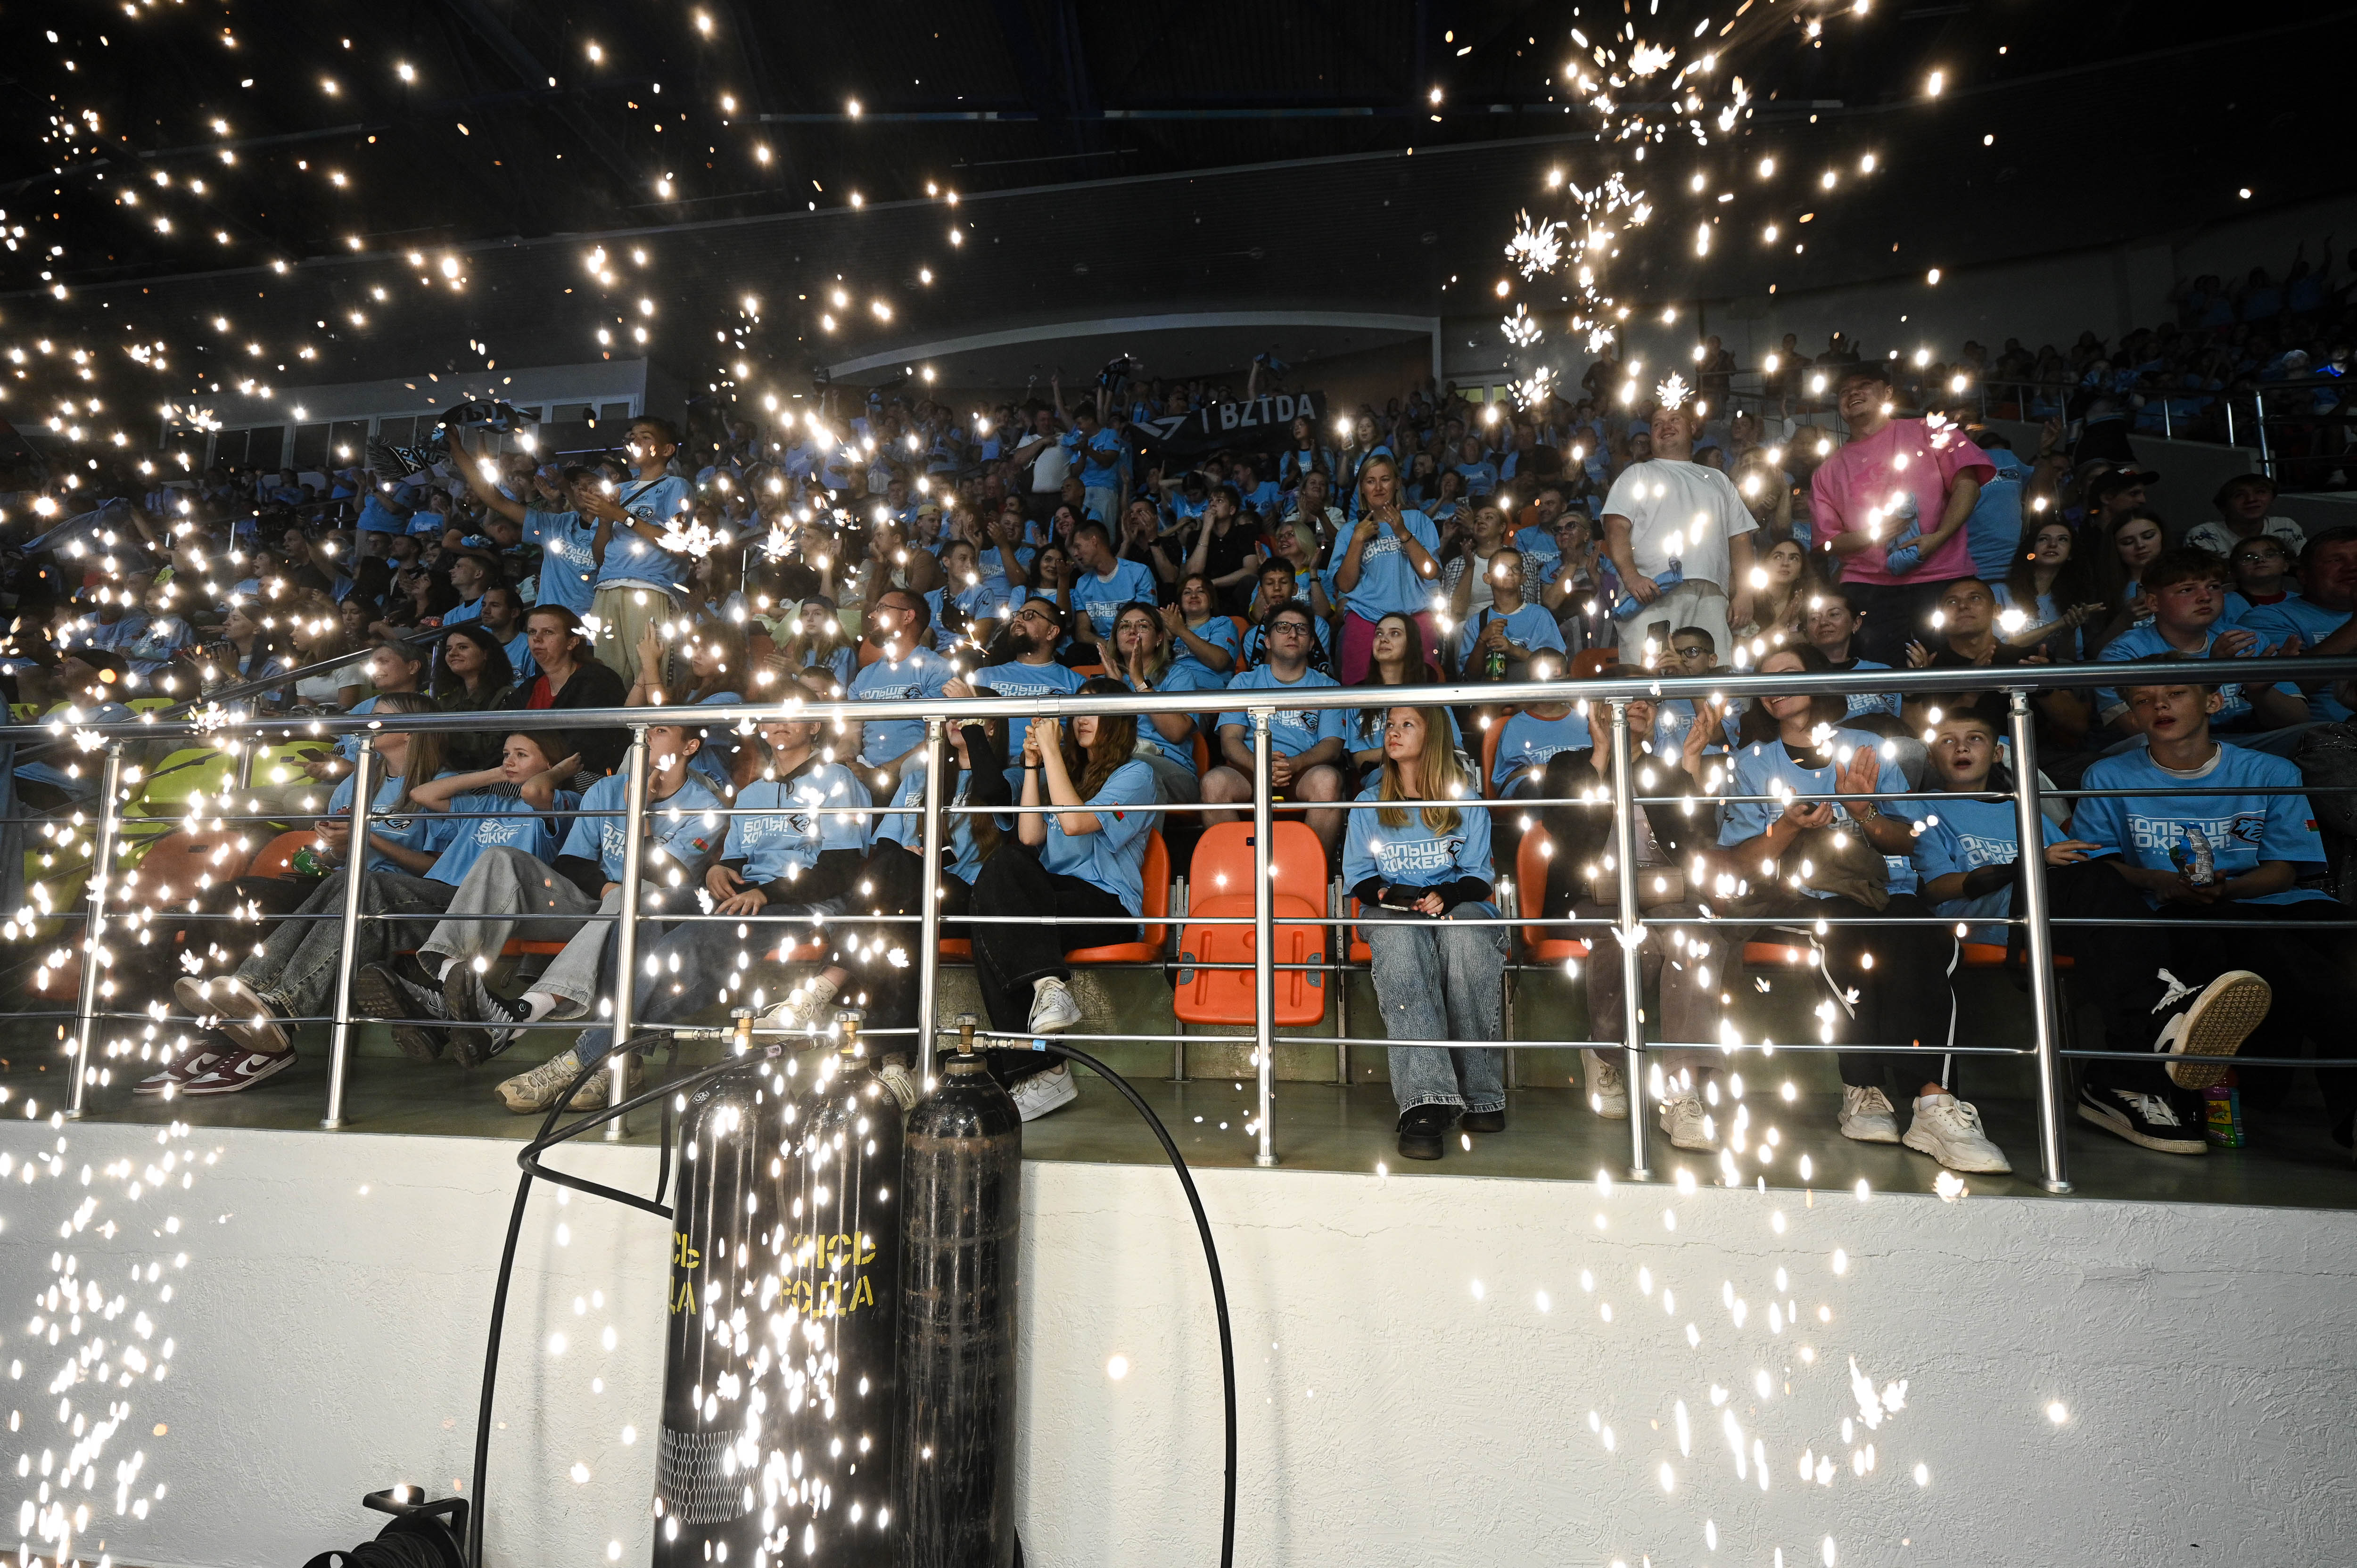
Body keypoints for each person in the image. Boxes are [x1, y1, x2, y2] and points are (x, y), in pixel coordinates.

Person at [2061, 681, 2354, 1155]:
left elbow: (2282, 871)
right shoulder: (2107, 776)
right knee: (2254, 941)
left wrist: (2228, 888)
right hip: (2173, 909)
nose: (2159, 704)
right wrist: (2159, 880)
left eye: (2176, 693)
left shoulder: (2270, 771)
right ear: (2133, 716)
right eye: (2143, 700)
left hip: (2264, 900)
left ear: (2213, 702)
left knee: (2341, 943)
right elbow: (2098, 868)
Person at [1717, 645, 1974, 1151]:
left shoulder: (1865, 747)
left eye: (1789, 674)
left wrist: (1862, 812)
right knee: (1841, 933)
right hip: (1802, 897)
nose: (1776, 688)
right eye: (1766, 681)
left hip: (1884, 890)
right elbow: (1740, 864)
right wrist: (1788, 826)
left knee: (1921, 937)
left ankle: (1934, 1100)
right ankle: (1864, 1089)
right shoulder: (1751, 763)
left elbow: (1908, 839)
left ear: (1815, 680)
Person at [406, 723, 724, 1111]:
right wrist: (606, 888)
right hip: (588, 906)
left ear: (690, 746)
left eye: (658, 730)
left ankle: (523, 1012)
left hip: (642, 920)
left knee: (635, 892)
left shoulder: (707, 806)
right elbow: (572, 863)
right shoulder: (607, 789)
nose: (644, 737)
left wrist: (639, 810)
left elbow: (670, 881)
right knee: (500, 858)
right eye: (640, 729)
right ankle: (449, 983)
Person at [162, 697, 459, 1093]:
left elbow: (440, 870)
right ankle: (229, 1003)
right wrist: (332, 847)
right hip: (341, 881)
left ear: (410, 730)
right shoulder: (359, 779)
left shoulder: (444, 787)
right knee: (229, 894)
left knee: (346, 887)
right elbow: (337, 857)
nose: (367, 721)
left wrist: (367, 838)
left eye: (380, 717)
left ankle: (277, 1015)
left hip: (396, 891)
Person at [1523, 670, 1742, 1147]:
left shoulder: (1665, 771)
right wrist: (1601, 757)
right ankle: (1605, 1056)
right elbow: (1567, 837)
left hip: (1664, 895)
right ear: (1598, 711)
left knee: (1695, 938)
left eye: (1647, 700)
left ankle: (1683, 1090)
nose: (1639, 705)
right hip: (1589, 897)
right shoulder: (1568, 765)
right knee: (1630, 942)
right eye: (1625, 698)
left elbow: (1695, 843)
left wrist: (1690, 765)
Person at [967, 680, 1161, 1120]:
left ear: (1119, 721)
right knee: (998, 882)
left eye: (1095, 711)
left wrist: (1051, 753)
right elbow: (1029, 836)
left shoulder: (1137, 775)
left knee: (998, 907)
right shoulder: (1062, 774)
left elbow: (1074, 823)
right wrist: (1032, 765)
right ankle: (1049, 993)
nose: (1081, 720)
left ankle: (1044, 1069)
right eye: (1078, 711)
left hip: (1108, 905)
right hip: (1052, 899)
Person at [348, 729, 584, 1057]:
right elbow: (422, 794)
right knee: (354, 883)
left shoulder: (563, 803)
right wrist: (497, 773)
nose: (510, 761)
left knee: (496, 856)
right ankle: (446, 997)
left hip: (494, 900)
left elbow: (535, 790)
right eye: (506, 754)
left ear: (550, 764)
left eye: (521, 755)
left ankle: (440, 994)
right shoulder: (488, 802)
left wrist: (558, 773)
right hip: (441, 891)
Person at [1343, 705, 1508, 1161]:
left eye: (1406, 725)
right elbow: (1360, 878)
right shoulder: (1367, 803)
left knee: (1465, 936)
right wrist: (1387, 893)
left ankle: (1479, 1093)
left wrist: (1447, 895)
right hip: (1394, 912)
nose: (1392, 732)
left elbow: (1478, 877)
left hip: (1458, 905)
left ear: (1431, 736)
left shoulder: (1465, 801)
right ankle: (1425, 1101)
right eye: (1389, 725)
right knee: (1401, 940)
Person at [1807, 361, 1995, 664]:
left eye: (1864, 385)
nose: (1853, 393)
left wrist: (1938, 538)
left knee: (1951, 668)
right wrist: (1874, 535)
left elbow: (1968, 486)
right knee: (1878, 674)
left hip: (1942, 574)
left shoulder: (1931, 430)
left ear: (1888, 393)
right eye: (1844, 391)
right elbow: (1827, 543)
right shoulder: (1827, 471)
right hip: (1869, 586)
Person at [1599, 400, 1759, 663]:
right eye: (1657, 424)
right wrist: (1631, 577)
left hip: (1710, 594)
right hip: (1652, 592)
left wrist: (1745, 593)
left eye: (1674, 419)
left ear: (1693, 427)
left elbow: (1740, 538)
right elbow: (1616, 527)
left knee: (1714, 675)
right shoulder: (1636, 474)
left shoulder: (1719, 480)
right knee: (1650, 676)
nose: (1666, 427)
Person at [2094, 550, 2308, 736]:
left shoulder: (2247, 640)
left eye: (2214, 586)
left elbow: (2298, 719)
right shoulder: (2124, 652)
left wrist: (2261, 693)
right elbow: (2140, 729)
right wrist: (2212, 675)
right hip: (2164, 756)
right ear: (2153, 602)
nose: (2205, 596)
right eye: (2187, 590)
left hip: (2248, 749)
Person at [1203, 602, 1351, 854]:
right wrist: (1260, 766)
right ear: (1268, 641)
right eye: (1283, 627)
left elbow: (1332, 746)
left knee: (1328, 781)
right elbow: (1230, 741)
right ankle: (1240, 868)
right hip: (1250, 771)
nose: (1293, 634)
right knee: (1213, 783)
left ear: (1311, 643)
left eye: (1301, 629)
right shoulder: (1244, 682)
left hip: (1303, 773)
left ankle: (1311, 871)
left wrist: (1294, 764)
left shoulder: (1328, 687)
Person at [578, 417, 692, 678]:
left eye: (646, 437)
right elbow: (599, 557)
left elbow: (680, 544)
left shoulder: (675, 486)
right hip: (607, 588)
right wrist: (605, 521)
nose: (635, 441)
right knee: (606, 679)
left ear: (667, 449)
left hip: (651, 588)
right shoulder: (619, 490)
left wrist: (622, 516)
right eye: (632, 437)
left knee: (650, 677)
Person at [450, 434, 601, 617]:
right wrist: (456, 446)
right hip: (547, 623)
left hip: (592, 624)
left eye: (591, 483)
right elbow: (496, 500)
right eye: (576, 484)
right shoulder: (557, 524)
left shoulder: (617, 529)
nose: (582, 489)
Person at [1328, 454, 1443, 683]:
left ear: (1397, 483)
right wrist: (1358, 539)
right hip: (1365, 616)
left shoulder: (1417, 520)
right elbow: (1345, 585)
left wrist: (1403, 532)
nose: (1378, 487)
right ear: (1362, 489)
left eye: (1385, 479)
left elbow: (1430, 572)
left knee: (1424, 689)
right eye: (1371, 481)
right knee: (1359, 691)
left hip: (1415, 615)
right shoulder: (1350, 531)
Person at [848, 589, 959, 797]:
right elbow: (850, 739)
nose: (872, 615)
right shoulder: (864, 677)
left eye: (882, 609)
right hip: (866, 775)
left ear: (908, 616)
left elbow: (935, 739)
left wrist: (883, 772)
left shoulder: (936, 669)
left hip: (913, 776)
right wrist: (844, 761)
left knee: (916, 768)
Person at [2240, 526, 2357, 723]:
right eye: (2336, 560)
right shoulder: (2267, 618)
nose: (2353, 567)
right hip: (2324, 735)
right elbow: (2283, 691)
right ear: (2303, 575)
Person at [497, 605, 630, 774]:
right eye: (532, 632)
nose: (537, 639)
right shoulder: (529, 688)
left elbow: (582, 749)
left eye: (548, 632)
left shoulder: (598, 681)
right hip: (527, 774)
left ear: (572, 642)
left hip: (585, 778)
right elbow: (502, 741)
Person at [1106, 602, 1206, 804]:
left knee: (1134, 770)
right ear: (1116, 639)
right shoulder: (1106, 683)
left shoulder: (1178, 676)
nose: (1132, 631)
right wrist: (1117, 690)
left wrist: (1140, 683)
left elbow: (1176, 733)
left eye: (1143, 626)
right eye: (1124, 626)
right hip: (1116, 763)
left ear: (1159, 638)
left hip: (1170, 767)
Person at [1996, 516, 2104, 659]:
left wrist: (2069, 631)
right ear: (2031, 551)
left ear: (2071, 554)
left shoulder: (2069, 602)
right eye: (2043, 539)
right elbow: (1996, 648)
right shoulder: (1999, 592)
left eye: (2063, 540)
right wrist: (2057, 625)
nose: (2053, 544)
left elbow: (2067, 662)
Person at [1454, 548, 1566, 682]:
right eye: (1502, 569)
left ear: (1523, 578)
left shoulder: (1540, 616)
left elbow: (1558, 665)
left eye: (1516, 568)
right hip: (1492, 693)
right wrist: (1482, 641)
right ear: (1487, 578)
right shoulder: (1477, 622)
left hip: (1532, 692)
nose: (1510, 573)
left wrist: (1513, 650)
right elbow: (1471, 676)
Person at [1802, 584, 1901, 725]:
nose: (1823, 622)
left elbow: (1903, 728)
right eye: (1814, 618)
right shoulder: (1799, 676)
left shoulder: (1881, 673)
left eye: (1834, 615)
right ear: (1806, 631)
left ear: (1856, 623)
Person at [1064, 521, 1160, 663]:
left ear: (1094, 541)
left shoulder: (1138, 572)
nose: (1076, 554)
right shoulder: (1083, 584)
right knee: (1074, 652)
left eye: (1078, 547)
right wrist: (1104, 644)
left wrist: (1121, 644)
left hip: (1136, 641)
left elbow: (1148, 619)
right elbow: (1082, 632)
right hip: (1105, 646)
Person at [431, 623, 520, 768]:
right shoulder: (446, 701)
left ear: (486, 654)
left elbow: (497, 748)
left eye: (463, 647)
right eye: (448, 649)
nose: (452, 653)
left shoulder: (507, 696)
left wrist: (444, 731)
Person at [2087, 510, 2167, 653]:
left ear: (2162, 536)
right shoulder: (2103, 589)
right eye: (2128, 542)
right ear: (2115, 548)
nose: (2140, 545)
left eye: (2148, 537)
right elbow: (2090, 653)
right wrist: (2123, 621)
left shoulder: (2190, 581)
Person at [2185, 472, 2308, 560]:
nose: (2251, 500)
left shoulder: (2286, 527)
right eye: (2239, 495)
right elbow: (2205, 575)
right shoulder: (2204, 534)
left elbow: (2303, 564)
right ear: (2224, 507)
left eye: (2260, 492)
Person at [1165, 571, 1241, 681]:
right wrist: (1169, 642)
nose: (1194, 596)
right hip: (1173, 687)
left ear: (1211, 602)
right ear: (1181, 604)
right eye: (1187, 592)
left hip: (1207, 688)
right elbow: (1154, 670)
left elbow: (1219, 661)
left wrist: (1180, 630)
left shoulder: (1222, 623)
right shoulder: (1171, 630)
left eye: (1201, 591)